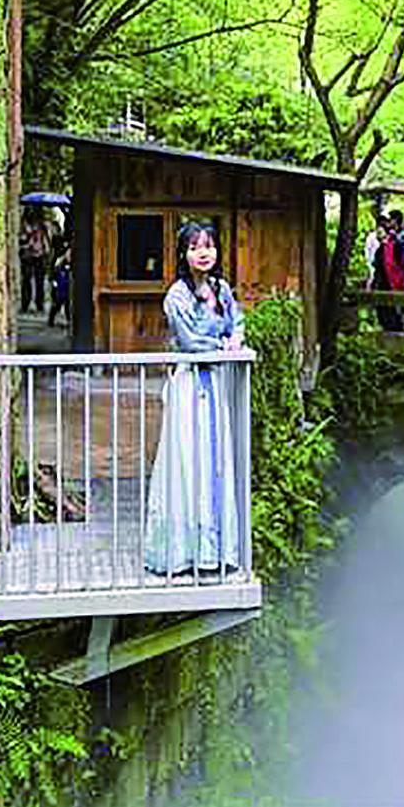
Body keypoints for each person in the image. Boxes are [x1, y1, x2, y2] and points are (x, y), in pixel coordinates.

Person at [144, 221, 243, 577]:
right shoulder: (177, 295)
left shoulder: (222, 289)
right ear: (183, 254)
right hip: (189, 382)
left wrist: (236, 339)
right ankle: (182, 552)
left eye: (209, 246)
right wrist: (222, 345)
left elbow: (237, 322)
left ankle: (216, 552)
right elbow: (189, 341)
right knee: (187, 458)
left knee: (215, 461)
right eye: (195, 247)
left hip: (215, 381)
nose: (204, 253)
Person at [19, 207, 50, 314]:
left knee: (38, 281)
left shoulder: (42, 226)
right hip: (28, 254)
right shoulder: (25, 225)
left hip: (38, 255)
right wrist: (29, 236)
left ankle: (38, 304)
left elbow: (46, 240)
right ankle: (26, 303)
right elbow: (22, 239)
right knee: (27, 280)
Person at [47, 229, 71, 327]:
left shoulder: (59, 255)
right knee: (60, 300)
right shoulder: (60, 257)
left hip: (63, 278)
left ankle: (67, 319)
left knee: (64, 301)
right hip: (61, 278)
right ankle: (53, 319)